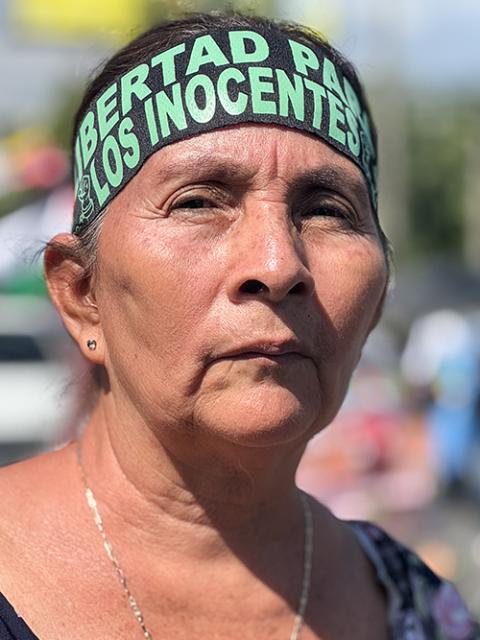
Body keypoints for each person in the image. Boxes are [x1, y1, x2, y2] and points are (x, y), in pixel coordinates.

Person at [0, 12, 478, 640]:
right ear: (82, 296)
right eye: (198, 201)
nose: (278, 266)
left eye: (327, 209)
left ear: (378, 302)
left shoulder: (418, 609)